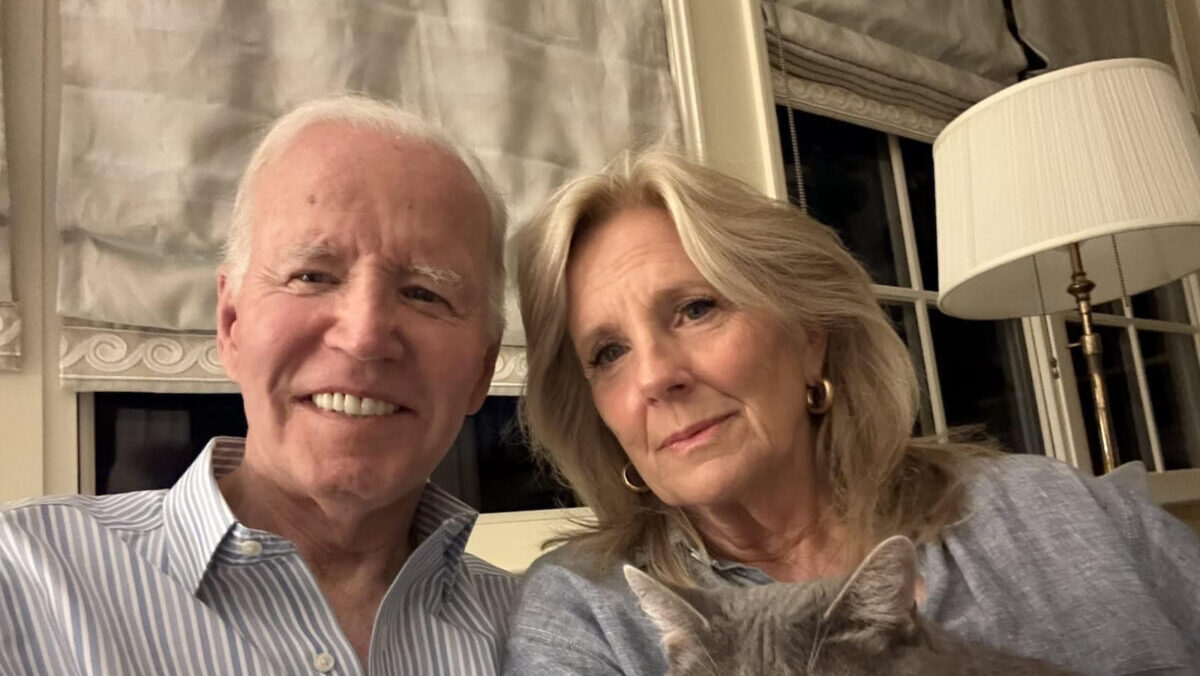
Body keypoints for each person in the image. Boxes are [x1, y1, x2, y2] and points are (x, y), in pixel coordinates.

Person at [502, 150, 1200, 675]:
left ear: (809, 334)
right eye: (609, 353)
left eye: (695, 308)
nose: (656, 375)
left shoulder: (1056, 511)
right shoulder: (589, 612)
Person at [0, 96, 517, 675]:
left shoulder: (542, 635)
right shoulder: (24, 579)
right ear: (231, 325)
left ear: (482, 369)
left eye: (425, 293)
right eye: (311, 276)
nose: (365, 335)